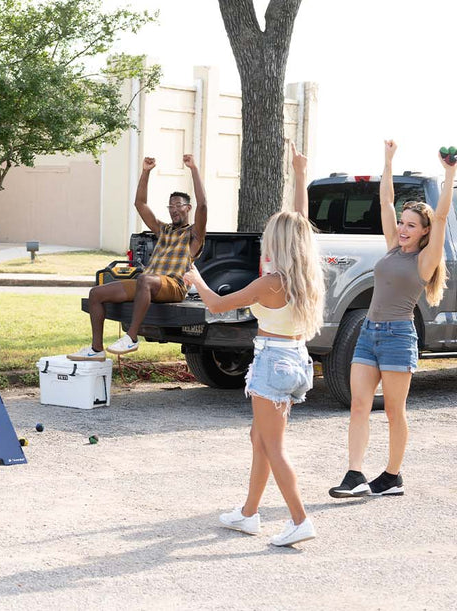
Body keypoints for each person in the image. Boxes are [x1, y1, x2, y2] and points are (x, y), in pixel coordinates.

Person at [183, 144, 324, 547]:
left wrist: (196, 280)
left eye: (266, 237)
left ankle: (299, 519)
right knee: (259, 439)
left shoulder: (268, 283)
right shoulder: (304, 274)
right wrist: (299, 175)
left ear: (276, 243)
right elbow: (300, 223)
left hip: (273, 362)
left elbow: (217, 305)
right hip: (295, 360)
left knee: (273, 447)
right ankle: (248, 513)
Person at [329, 141, 453, 499]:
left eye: (411, 225)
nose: (402, 228)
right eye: (402, 222)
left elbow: (442, 216)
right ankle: (354, 474)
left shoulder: (424, 261)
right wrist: (387, 162)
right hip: (369, 333)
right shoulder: (392, 248)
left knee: (395, 412)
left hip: (399, 336)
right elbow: (385, 201)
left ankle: (392, 476)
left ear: (424, 232)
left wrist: (449, 173)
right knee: (358, 405)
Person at [70, 153, 207, 361]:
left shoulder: (193, 236)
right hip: (149, 284)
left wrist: (194, 169)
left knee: (144, 279)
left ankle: (131, 337)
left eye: (178, 205)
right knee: (96, 294)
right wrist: (145, 172)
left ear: (188, 208)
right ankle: (96, 349)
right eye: (171, 206)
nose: (174, 210)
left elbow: (203, 205)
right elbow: (140, 204)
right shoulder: (164, 230)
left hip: (175, 287)